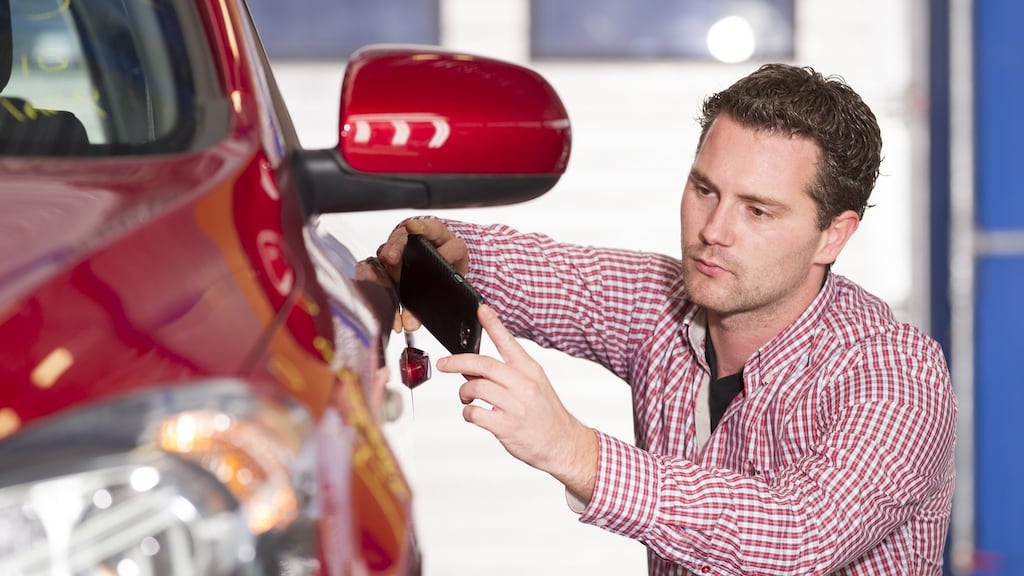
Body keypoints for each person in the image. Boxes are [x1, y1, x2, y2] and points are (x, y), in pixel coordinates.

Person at [364, 63, 956, 575]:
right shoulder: (669, 304)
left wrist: (575, 452)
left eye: (758, 210)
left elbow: (799, 536)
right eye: (705, 189)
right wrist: (451, 257)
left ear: (834, 235)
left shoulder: (897, 373)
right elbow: (563, 279)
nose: (713, 232)